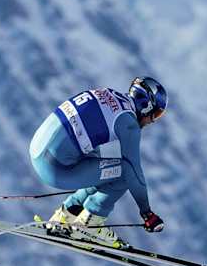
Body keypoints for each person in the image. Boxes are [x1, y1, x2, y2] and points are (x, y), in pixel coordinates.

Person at [29, 76, 168, 247]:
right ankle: (89, 224)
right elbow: (134, 170)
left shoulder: (108, 93)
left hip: (37, 151)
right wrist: (147, 213)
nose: (152, 121)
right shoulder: (129, 124)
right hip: (54, 169)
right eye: (156, 114)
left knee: (106, 167)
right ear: (146, 105)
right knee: (125, 172)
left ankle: (67, 214)